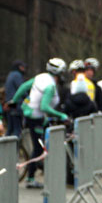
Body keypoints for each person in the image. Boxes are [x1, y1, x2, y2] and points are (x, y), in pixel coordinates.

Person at [10, 58, 69, 188]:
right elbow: (44, 107)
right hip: (36, 118)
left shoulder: (41, 77)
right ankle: (30, 178)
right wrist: (62, 115)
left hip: (33, 115)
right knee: (38, 148)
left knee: (42, 146)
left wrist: (14, 100)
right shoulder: (51, 86)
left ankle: (42, 167)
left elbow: (23, 87)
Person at [3, 59, 26, 138]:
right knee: (17, 130)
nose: (24, 69)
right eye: (23, 67)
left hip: (9, 104)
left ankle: (4, 149)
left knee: (10, 129)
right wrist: (28, 100)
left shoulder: (10, 74)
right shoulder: (17, 75)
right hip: (16, 105)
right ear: (19, 67)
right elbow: (22, 89)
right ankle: (15, 149)